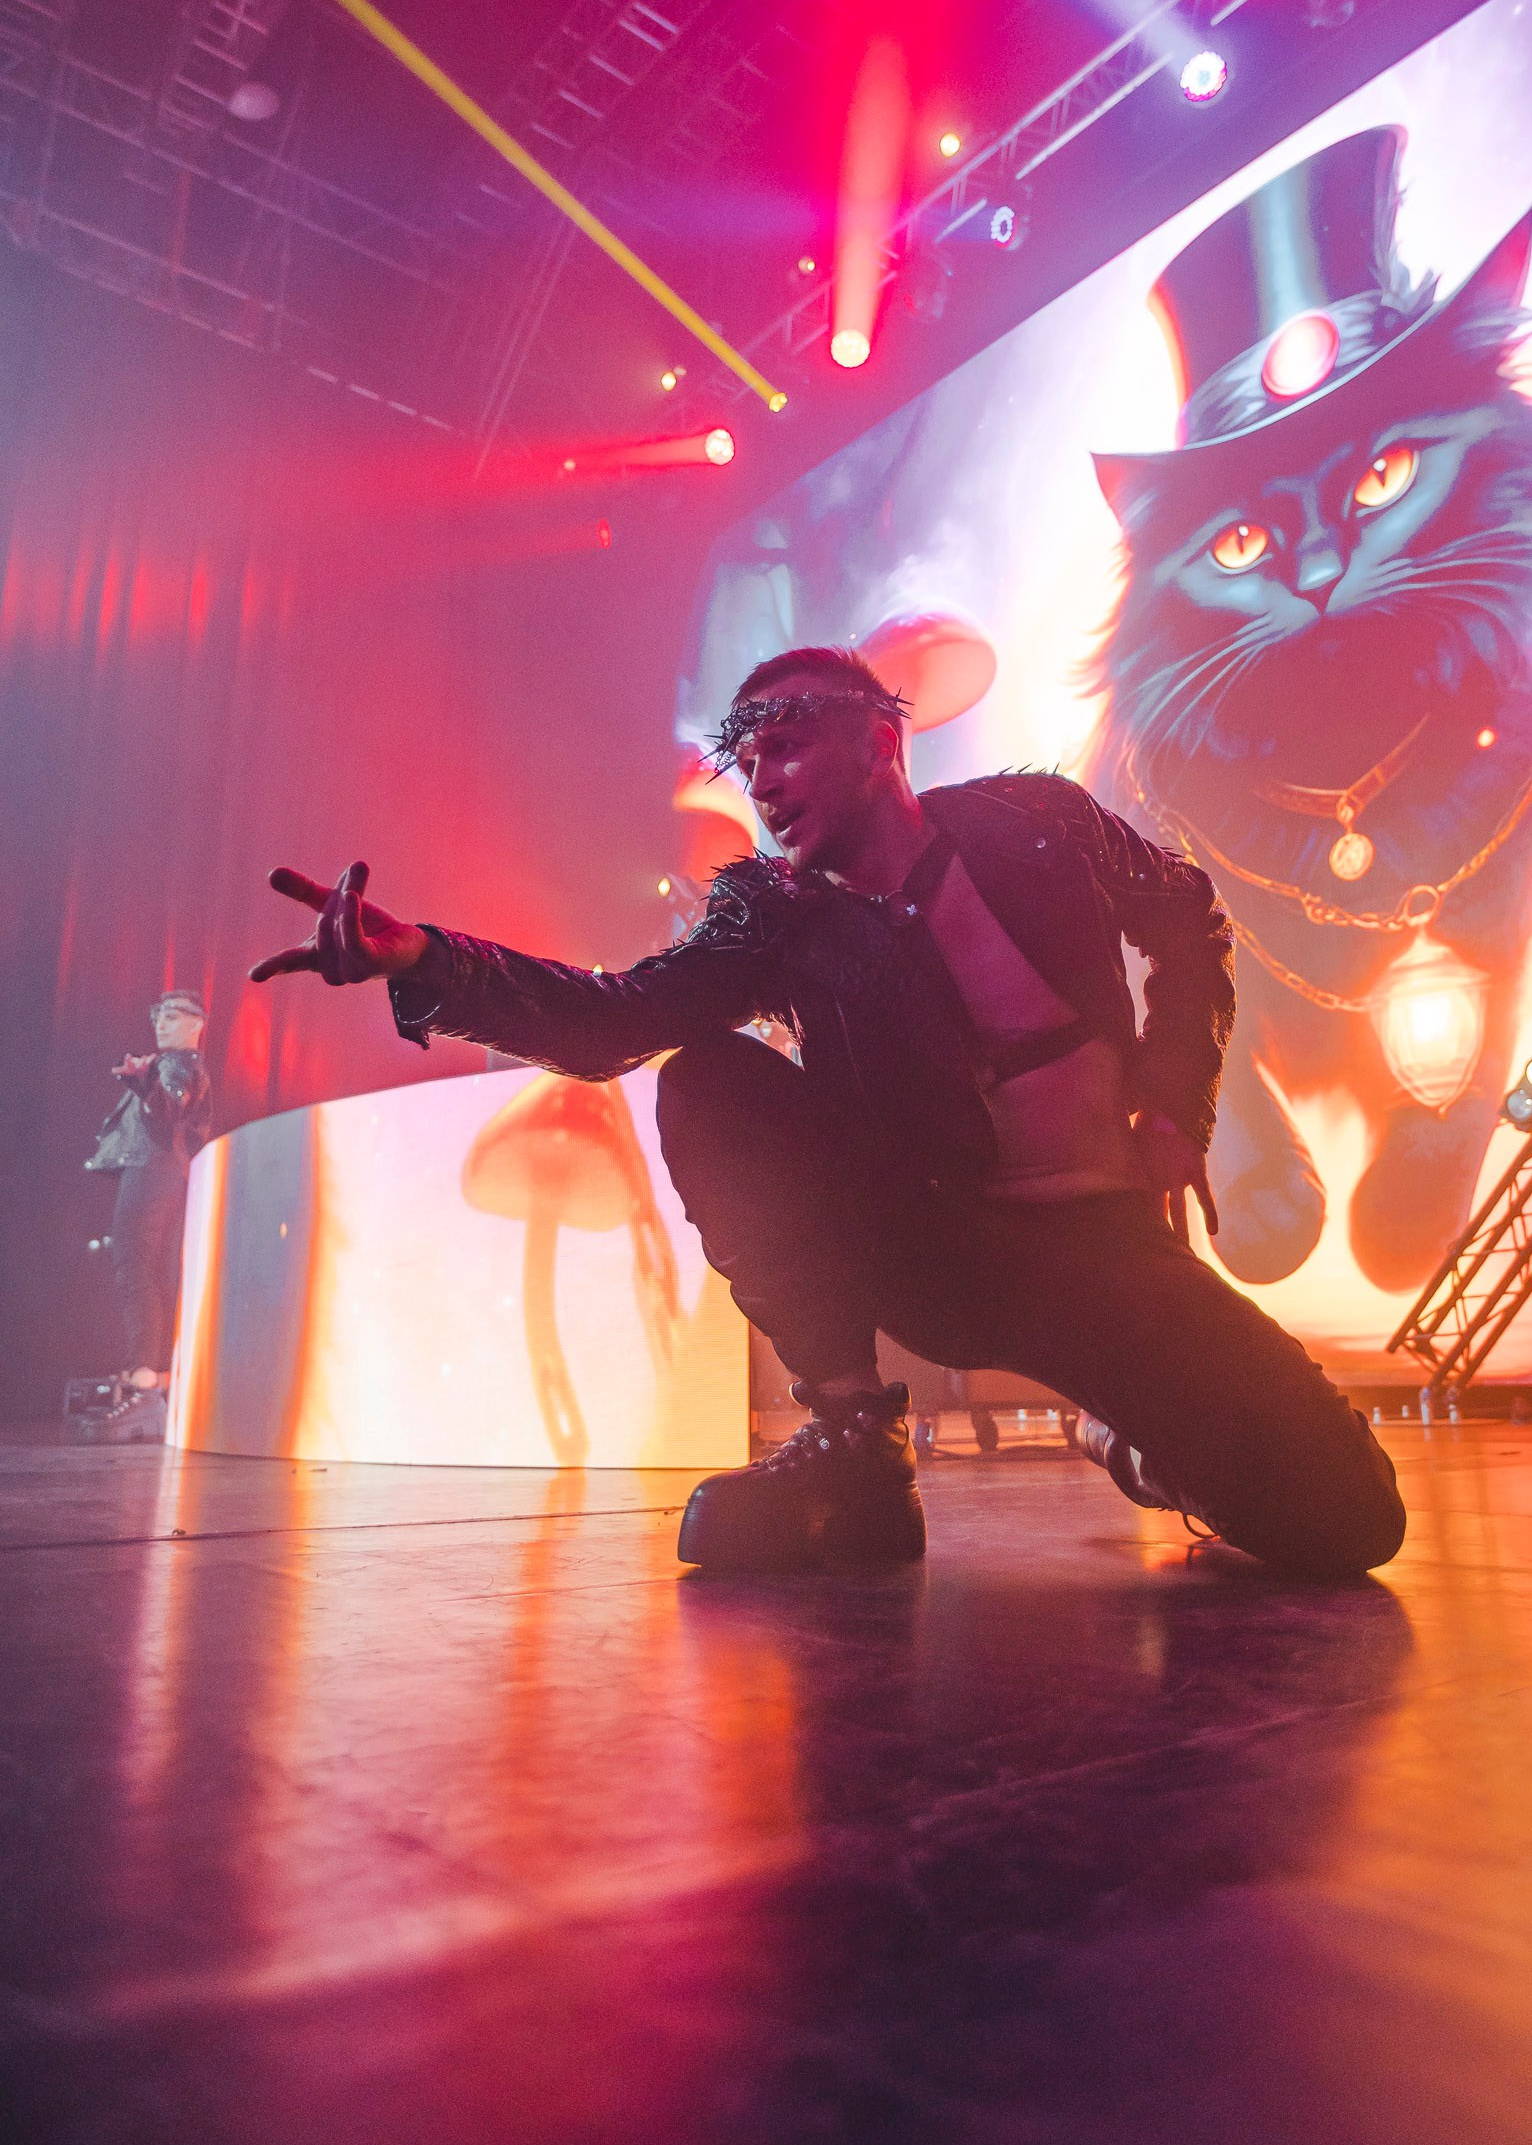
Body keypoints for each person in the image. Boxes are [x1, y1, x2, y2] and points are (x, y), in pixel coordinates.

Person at [251, 648, 1405, 1581]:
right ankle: (853, 1438)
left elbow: (1189, 920)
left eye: (788, 742)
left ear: (880, 742)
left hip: (1110, 1258)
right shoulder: (774, 915)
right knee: (706, 1078)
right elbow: (616, 1020)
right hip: (943, 1251)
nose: (762, 779)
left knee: (1350, 1523)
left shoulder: (1038, 819)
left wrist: (1175, 1096)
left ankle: (1134, 1441)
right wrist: (426, 958)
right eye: (746, 759)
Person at [85, 990, 213, 1393]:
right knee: (152, 1268)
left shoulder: (175, 1064)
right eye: (157, 1016)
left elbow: (169, 1111)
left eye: (171, 1016)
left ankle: (144, 1367)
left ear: (196, 1024)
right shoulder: (177, 1064)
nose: (160, 1023)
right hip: (163, 1172)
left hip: (152, 1171)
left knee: (135, 1264)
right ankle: (153, 1366)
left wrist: (144, 1087)